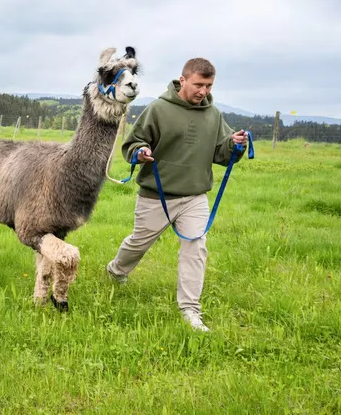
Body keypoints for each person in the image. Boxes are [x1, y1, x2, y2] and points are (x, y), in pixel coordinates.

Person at [106, 57, 247, 332]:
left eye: (208, 86)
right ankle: (116, 271)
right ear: (182, 80)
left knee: (196, 248)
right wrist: (140, 152)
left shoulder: (214, 115)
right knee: (138, 243)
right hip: (156, 195)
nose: (203, 91)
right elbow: (133, 142)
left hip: (195, 196)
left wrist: (234, 144)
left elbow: (221, 154)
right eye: (198, 84)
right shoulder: (158, 109)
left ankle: (190, 310)